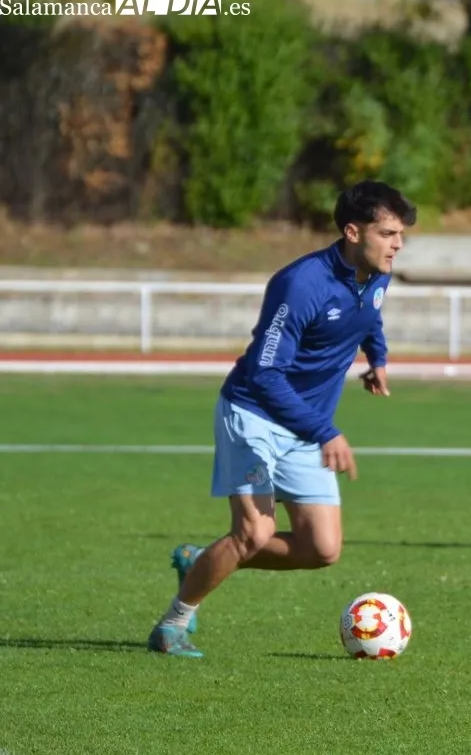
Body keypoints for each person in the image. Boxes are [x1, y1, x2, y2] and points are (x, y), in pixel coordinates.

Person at [146, 180, 417, 658]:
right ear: (353, 232)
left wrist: (377, 357)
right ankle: (172, 625)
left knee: (322, 549)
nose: (398, 244)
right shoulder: (301, 284)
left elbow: (369, 316)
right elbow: (265, 374)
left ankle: (202, 560)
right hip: (254, 414)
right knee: (255, 533)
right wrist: (325, 431)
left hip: (304, 425)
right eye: (388, 233)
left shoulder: (377, 272)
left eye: (400, 235)